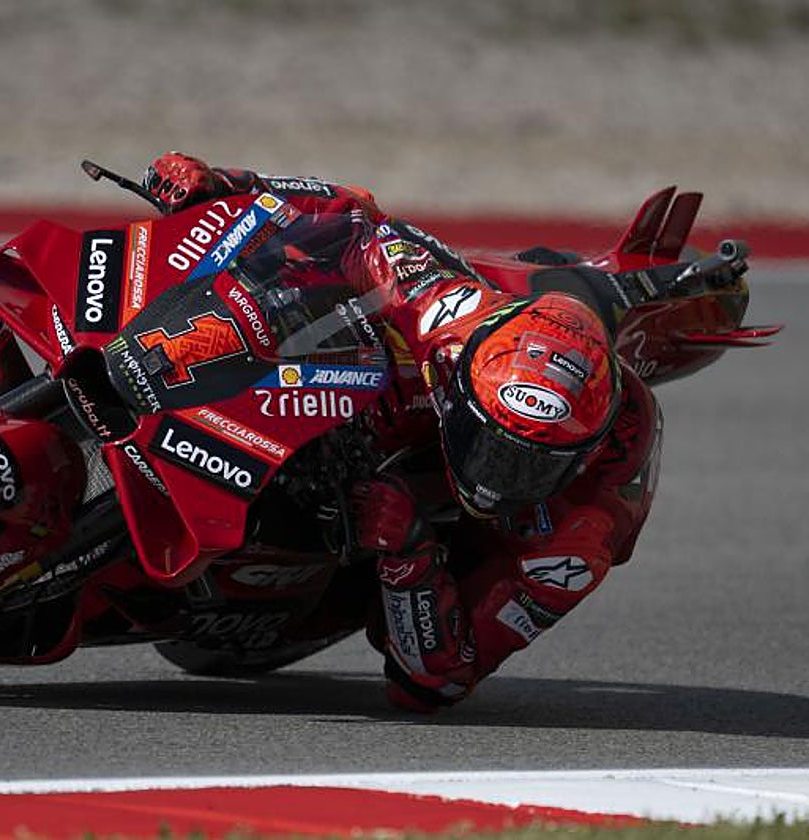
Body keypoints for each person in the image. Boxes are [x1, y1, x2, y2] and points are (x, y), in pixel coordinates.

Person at [143, 152, 662, 712]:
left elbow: (439, 681)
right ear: (463, 387)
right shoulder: (445, 311)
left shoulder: (579, 539)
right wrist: (227, 184)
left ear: (579, 459)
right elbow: (354, 215)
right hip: (432, 373)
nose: (496, 479)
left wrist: (410, 556)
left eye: (532, 466)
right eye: (491, 448)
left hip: (443, 548)